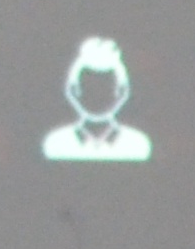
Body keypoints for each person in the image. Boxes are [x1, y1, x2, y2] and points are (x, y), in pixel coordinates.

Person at [45, 35, 153, 164]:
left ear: (121, 92)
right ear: (74, 91)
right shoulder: (56, 144)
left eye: (105, 87)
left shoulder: (137, 145)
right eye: (89, 87)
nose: (97, 96)